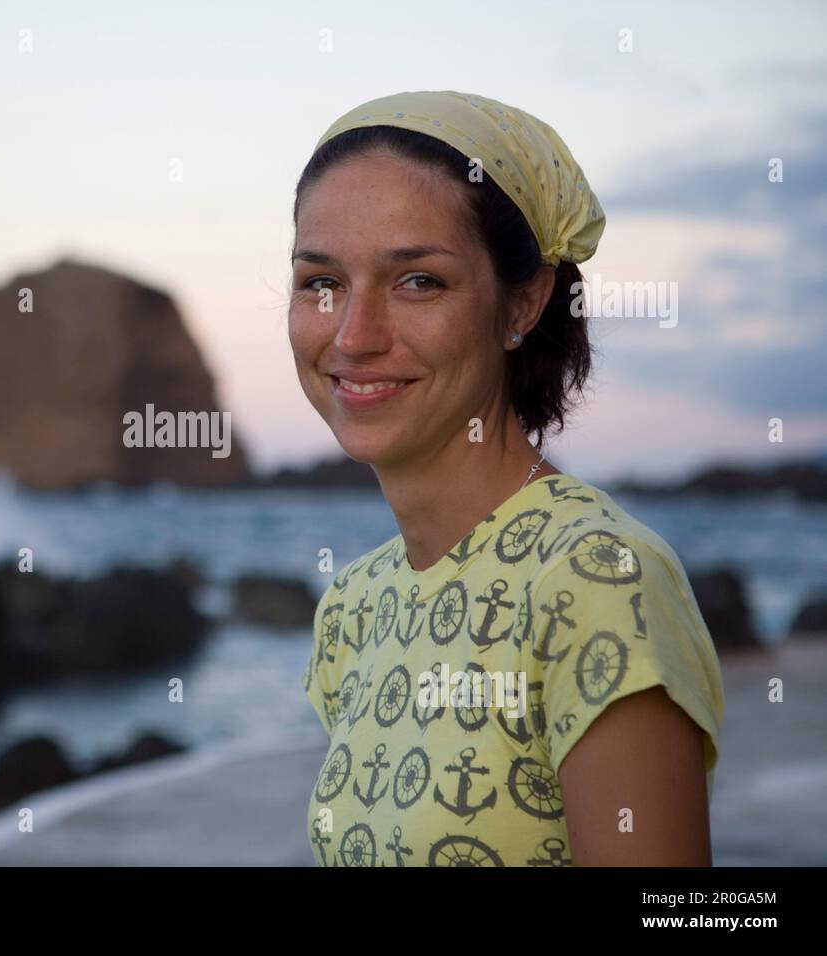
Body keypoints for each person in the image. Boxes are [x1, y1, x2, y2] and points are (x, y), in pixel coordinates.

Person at [292, 91, 724, 866]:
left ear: (523, 301)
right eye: (321, 282)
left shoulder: (596, 580)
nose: (354, 336)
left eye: (418, 280)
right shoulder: (354, 609)